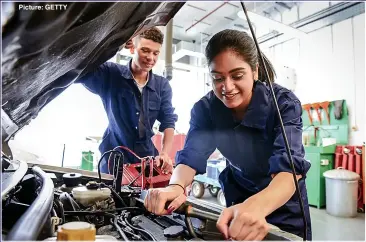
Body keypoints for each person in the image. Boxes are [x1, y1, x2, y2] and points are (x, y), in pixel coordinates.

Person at [143, 29, 312, 241]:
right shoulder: (206, 110)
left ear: (255, 71)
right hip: (238, 197)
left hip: (282, 203)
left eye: (237, 76)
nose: (227, 87)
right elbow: (191, 156)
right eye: (218, 78)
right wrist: (175, 186)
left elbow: (290, 170)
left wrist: (256, 207)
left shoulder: (284, 105)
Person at [76, 27, 178, 174]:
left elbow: (168, 120)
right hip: (114, 159)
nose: (151, 58)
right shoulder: (110, 74)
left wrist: (164, 153)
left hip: (146, 159)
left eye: (156, 53)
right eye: (145, 50)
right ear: (132, 49)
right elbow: (81, 69)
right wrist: (115, 45)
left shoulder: (162, 86)